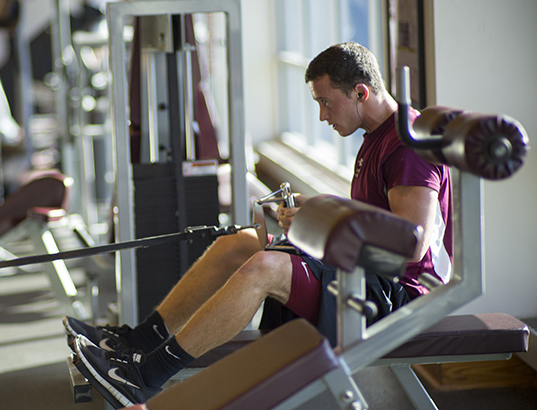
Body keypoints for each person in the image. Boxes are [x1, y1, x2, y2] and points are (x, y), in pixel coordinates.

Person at [65, 42, 453, 408]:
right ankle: (140, 339)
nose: (322, 115)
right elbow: (376, 215)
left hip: (397, 294)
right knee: (238, 244)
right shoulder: (376, 136)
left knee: (264, 268)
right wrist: (317, 209)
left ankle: (143, 375)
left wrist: (328, 218)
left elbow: (411, 243)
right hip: (366, 274)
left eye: (325, 102)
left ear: (360, 92)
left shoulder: (407, 146)